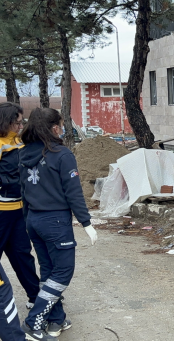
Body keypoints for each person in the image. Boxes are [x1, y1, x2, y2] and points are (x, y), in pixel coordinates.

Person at [19, 108, 98, 339]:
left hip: (34, 219)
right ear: (54, 128)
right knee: (63, 271)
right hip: (55, 221)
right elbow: (73, 193)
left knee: (49, 271)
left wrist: (27, 221)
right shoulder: (62, 155)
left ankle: (56, 319)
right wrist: (87, 223)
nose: (62, 129)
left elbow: (23, 191)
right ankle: (33, 322)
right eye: (61, 125)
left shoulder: (23, 154)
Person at [0, 103, 40, 311]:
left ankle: (36, 297)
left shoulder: (19, 141)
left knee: (23, 255)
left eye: (21, 122)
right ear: (5, 121)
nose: (20, 126)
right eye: (17, 122)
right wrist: (13, 182)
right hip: (1, 212)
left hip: (19, 211)